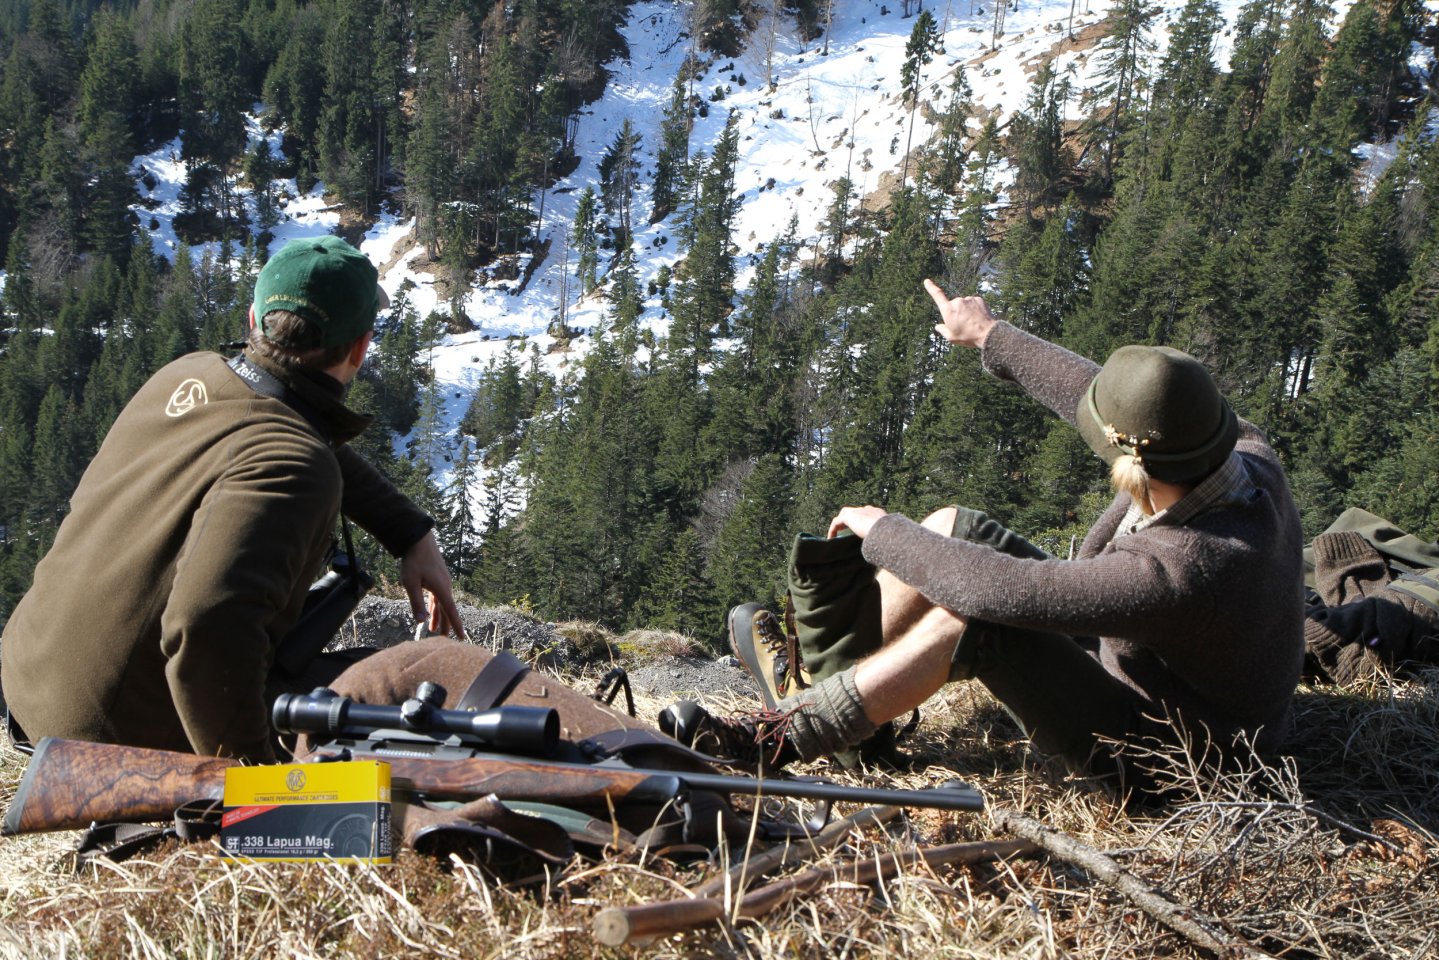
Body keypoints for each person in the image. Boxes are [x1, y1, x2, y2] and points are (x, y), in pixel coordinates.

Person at [664, 281, 1306, 797]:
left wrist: (880, 530)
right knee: (950, 527)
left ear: (1127, 457)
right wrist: (990, 335)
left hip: (1175, 757)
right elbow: (1106, 396)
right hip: (1146, 663)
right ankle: (838, 696)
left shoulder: (1187, 570)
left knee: (970, 621)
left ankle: (776, 740)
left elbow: (996, 591)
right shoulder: (1236, 449)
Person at [0, 236, 465, 763]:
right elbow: (204, 633)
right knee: (415, 686)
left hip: (29, 688)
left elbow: (287, 435)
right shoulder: (294, 462)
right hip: (108, 747)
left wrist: (408, 530)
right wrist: (261, 785)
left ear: (254, 319)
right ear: (359, 348)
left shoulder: (188, 374)